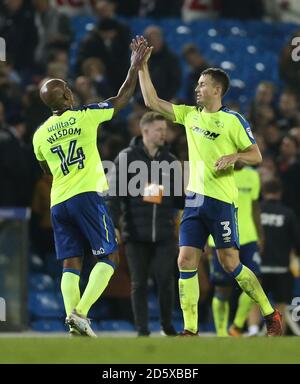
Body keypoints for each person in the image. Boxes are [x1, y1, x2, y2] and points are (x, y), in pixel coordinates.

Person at [136, 36, 282, 336]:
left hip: (221, 202)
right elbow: (152, 101)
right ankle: (190, 330)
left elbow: (256, 156)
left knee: (231, 264)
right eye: (197, 84)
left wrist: (234, 156)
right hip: (194, 200)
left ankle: (270, 312)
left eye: (202, 84)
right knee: (185, 259)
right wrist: (141, 67)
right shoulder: (189, 115)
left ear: (217, 89)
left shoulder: (233, 121)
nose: (197, 88)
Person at [32, 39, 148, 337]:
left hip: (59, 201)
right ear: (67, 95)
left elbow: (46, 171)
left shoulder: (39, 135)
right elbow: (122, 98)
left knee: (71, 263)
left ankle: (73, 324)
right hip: (87, 196)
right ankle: (81, 314)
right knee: (109, 257)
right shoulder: (84, 116)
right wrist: (134, 67)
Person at [107, 111, 183, 336]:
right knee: (138, 283)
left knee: (165, 280)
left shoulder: (171, 161)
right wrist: (114, 226)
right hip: (135, 233)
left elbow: (179, 200)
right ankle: (142, 329)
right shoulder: (126, 158)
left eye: (165, 129)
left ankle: (167, 326)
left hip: (164, 233)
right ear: (145, 131)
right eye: (159, 130)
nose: (164, 134)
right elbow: (114, 196)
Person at [210, 163, 264, 336]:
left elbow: (255, 207)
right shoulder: (217, 173)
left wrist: (260, 234)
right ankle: (221, 334)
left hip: (248, 237)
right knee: (222, 288)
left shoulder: (253, 176)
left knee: (254, 283)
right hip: (222, 237)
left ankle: (236, 326)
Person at [260, 179, 300, 334]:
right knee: (281, 303)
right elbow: (297, 241)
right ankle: (276, 335)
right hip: (281, 268)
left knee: (254, 302)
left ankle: (253, 329)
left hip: (259, 267)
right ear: (280, 192)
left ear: (263, 192)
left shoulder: (257, 211)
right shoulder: (288, 213)